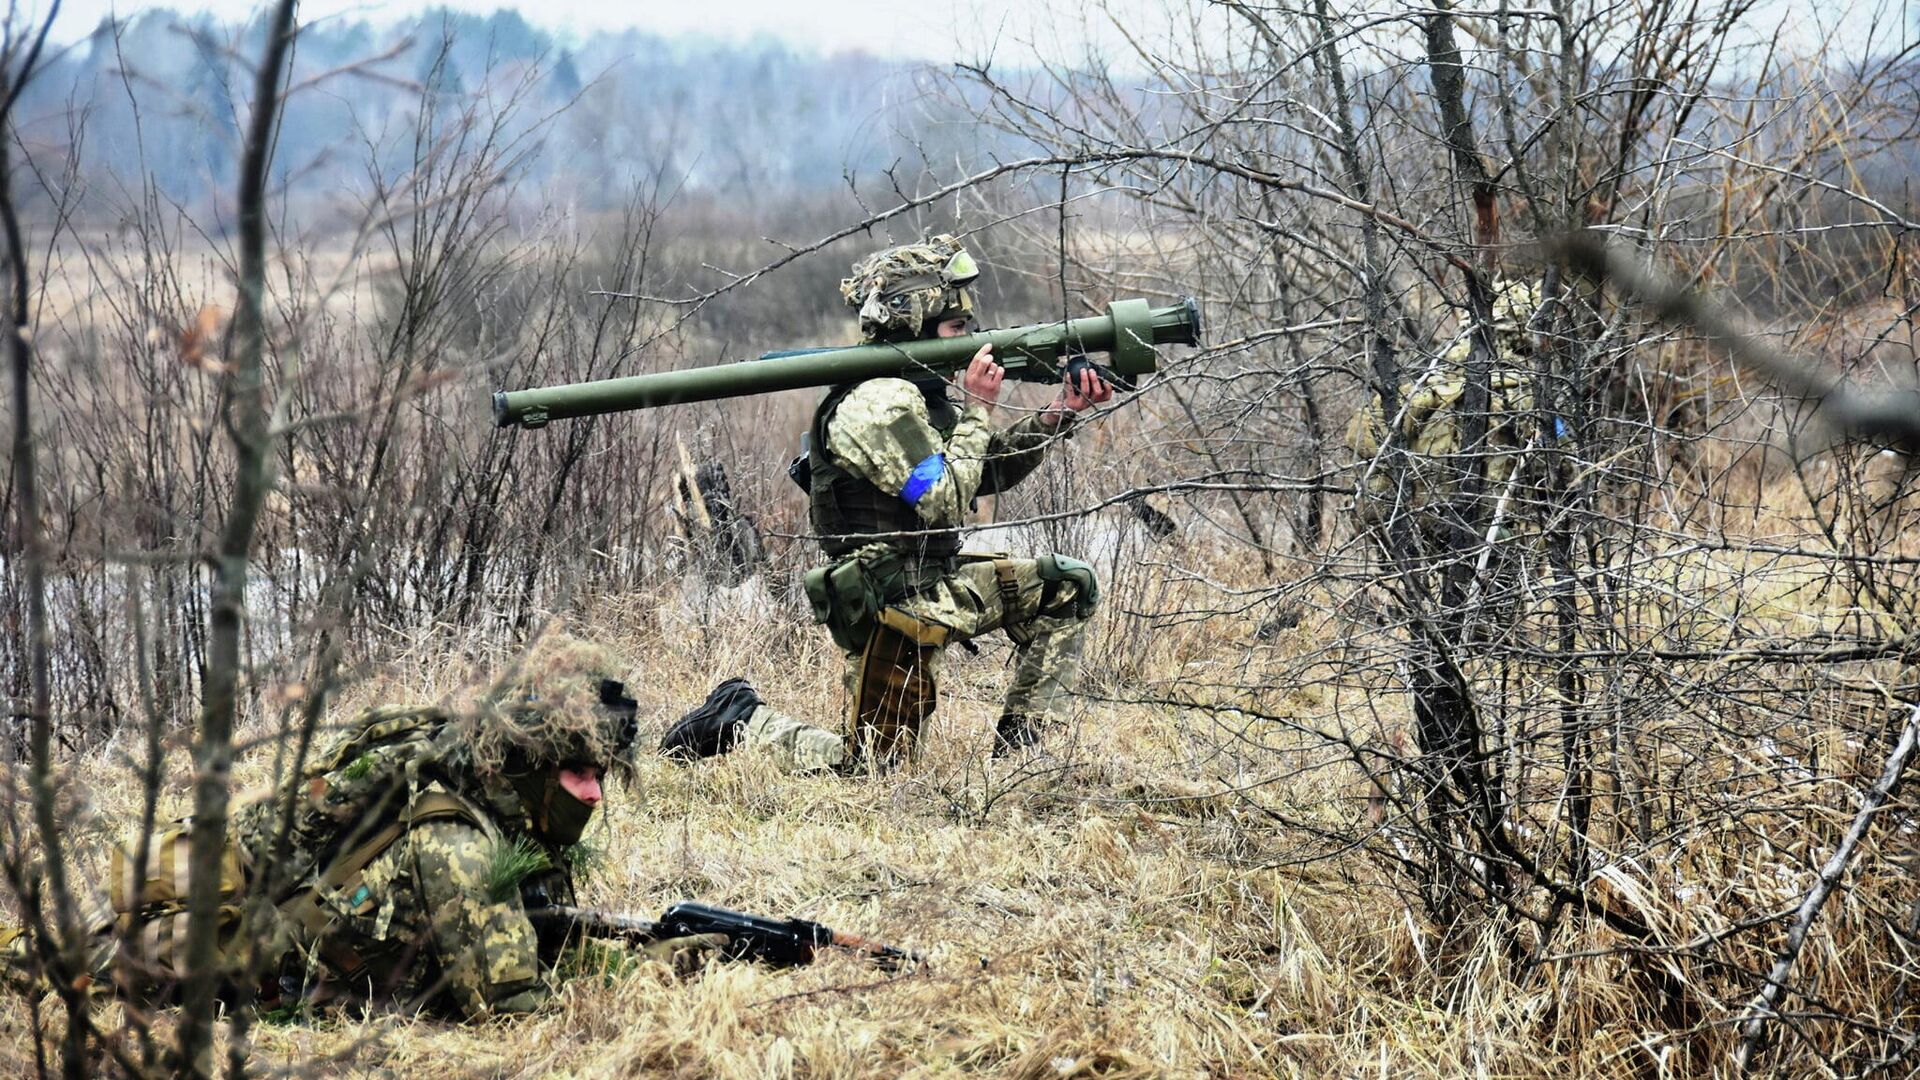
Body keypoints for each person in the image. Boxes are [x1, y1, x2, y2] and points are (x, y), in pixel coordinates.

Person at [2, 632, 722, 1018]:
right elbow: (515, 1009)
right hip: (251, 962)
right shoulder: (462, 844)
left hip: (301, 931)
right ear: (529, 764)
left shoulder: (513, 822)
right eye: (578, 775)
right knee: (66, 963)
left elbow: (540, 932)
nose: (594, 796)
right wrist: (672, 962)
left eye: (602, 776)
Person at [662, 234, 1111, 770]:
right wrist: (977, 409)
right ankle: (742, 718)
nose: (970, 340)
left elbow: (982, 471)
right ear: (913, 325)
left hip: (938, 582)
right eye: (956, 329)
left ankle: (1021, 761)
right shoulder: (877, 402)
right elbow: (944, 497)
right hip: (891, 604)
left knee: (1066, 585)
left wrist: (1057, 413)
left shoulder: (918, 389)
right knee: (872, 770)